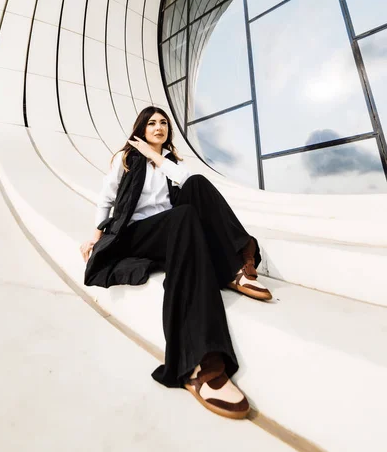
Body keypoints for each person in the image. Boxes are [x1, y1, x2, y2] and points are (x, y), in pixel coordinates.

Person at [80, 106, 272, 420]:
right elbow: (106, 197)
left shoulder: (169, 164)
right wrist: (95, 236)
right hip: (137, 234)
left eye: (164, 123)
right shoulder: (125, 158)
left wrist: (157, 158)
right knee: (183, 215)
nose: (159, 127)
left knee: (196, 185)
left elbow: (185, 180)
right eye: (152, 123)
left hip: (172, 230)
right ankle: (199, 363)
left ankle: (235, 265)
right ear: (140, 128)